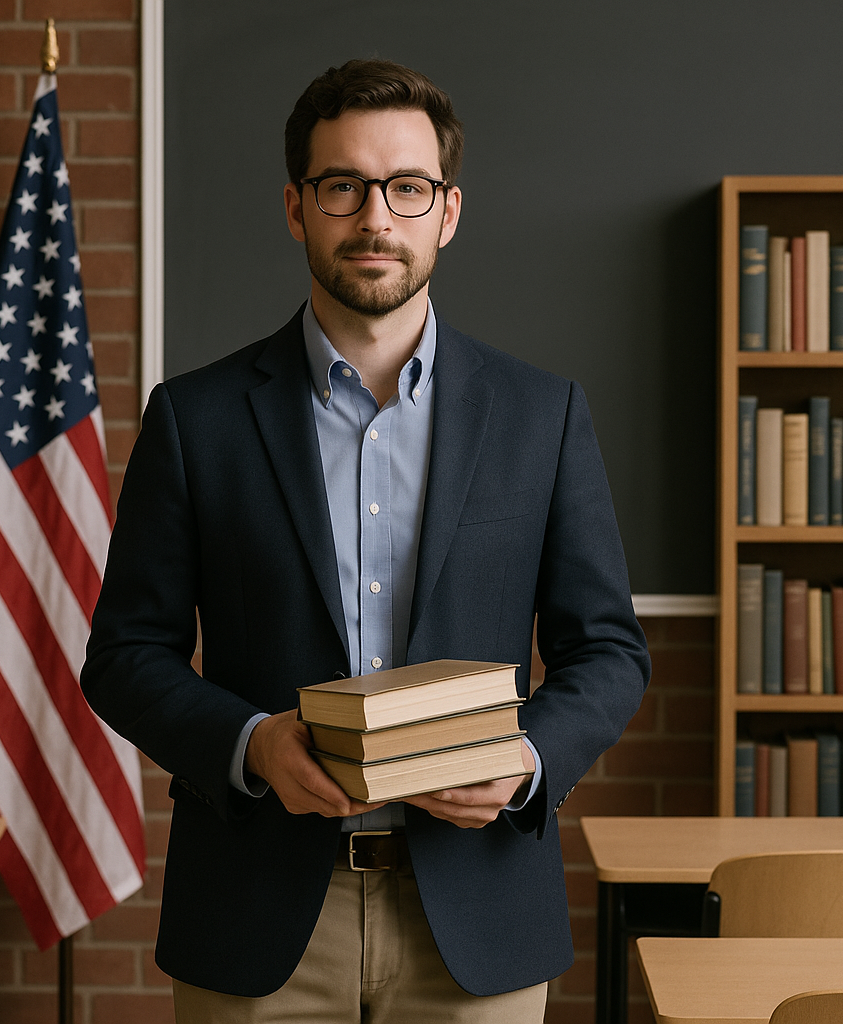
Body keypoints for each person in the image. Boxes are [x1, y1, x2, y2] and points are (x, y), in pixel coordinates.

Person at [81, 58, 650, 1024]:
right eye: (343, 186)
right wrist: (253, 745)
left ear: (449, 210)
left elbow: (608, 652)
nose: (376, 218)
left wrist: (524, 760)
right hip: (260, 919)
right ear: (298, 208)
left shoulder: (540, 415)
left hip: (479, 921)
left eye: (407, 188)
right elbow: (125, 656)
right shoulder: (196, 419)